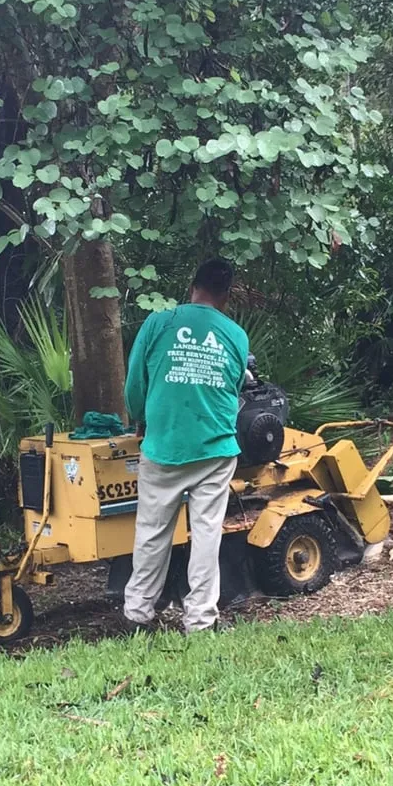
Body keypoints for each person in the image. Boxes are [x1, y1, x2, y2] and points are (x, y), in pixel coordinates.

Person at [122, 257, 249, 634]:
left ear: (192, 286)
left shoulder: (159, 322)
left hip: (163, 446)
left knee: (152, 532)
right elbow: (234, 386)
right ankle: (201, 620)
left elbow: (134, 385)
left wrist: (140, 417)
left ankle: (138, 614)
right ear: (226, 296)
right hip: (215, 448)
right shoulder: (235, 335)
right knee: (207, 533)